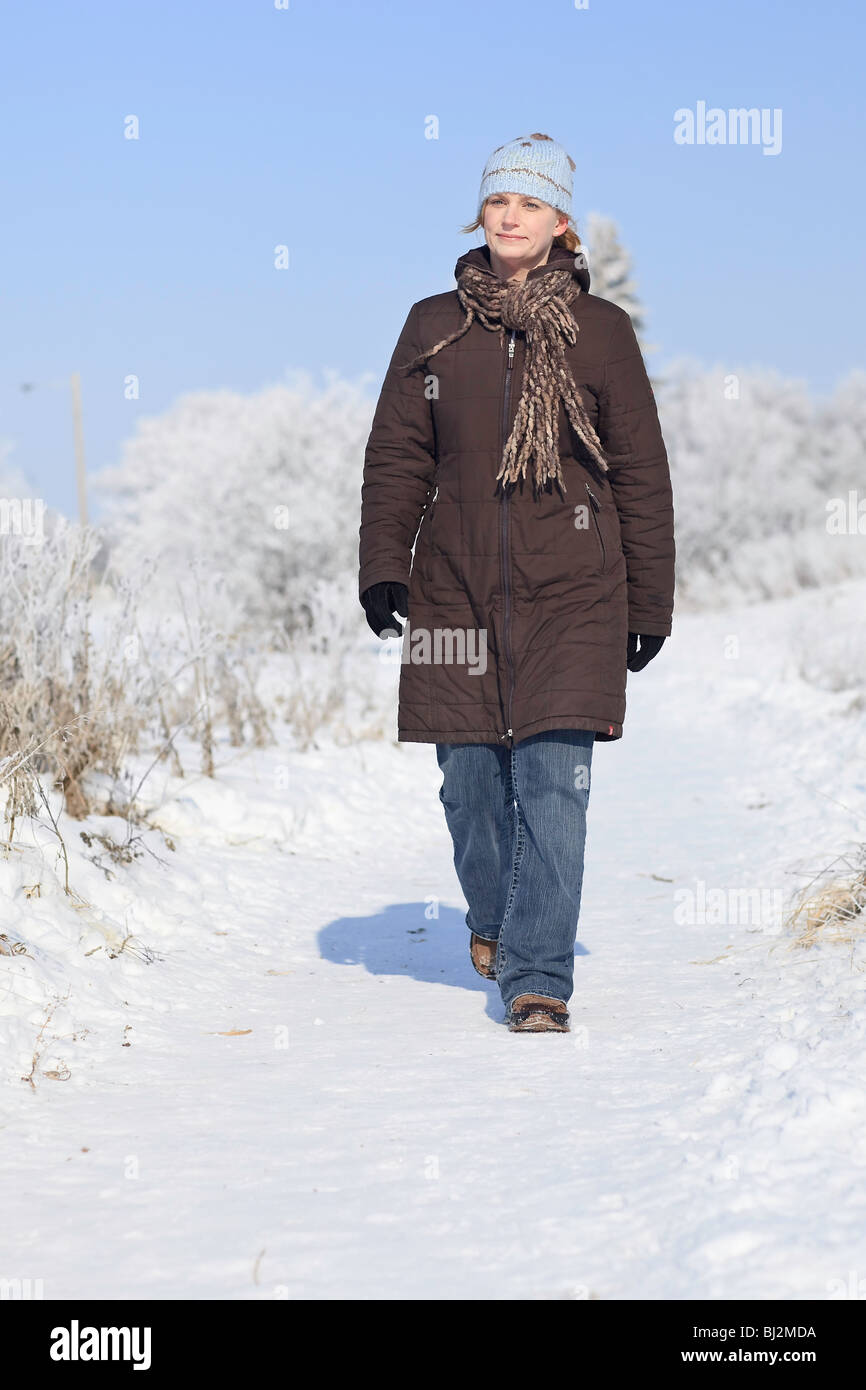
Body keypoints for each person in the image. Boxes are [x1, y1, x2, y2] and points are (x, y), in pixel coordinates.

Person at [358, 133, 675, 1033]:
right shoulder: (433, 326)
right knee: (467, 779)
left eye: (531, 204)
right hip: (453, 584)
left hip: (575, 588)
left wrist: (648, 602)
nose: (511, 216)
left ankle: (538, 975)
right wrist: (383, 562)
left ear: (561, 224)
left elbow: (641, 473)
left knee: (551, 784)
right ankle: (496, 919)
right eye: (500, 201)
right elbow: (397, 454)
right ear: (482, 212)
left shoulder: (602, 333)